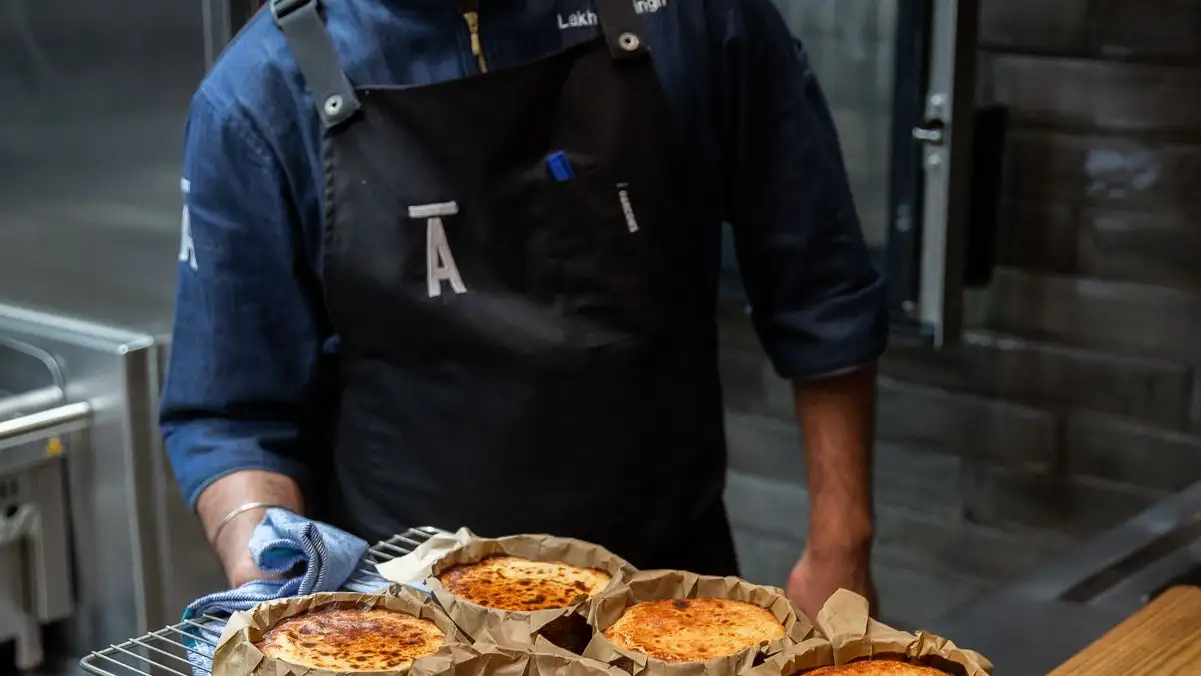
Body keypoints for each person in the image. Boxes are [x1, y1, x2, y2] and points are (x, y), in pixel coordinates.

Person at [161, 0, 888, 620]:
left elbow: (818, 284)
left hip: (673, 598)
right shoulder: (259, 97)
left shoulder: (691, 17)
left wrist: (840, 546)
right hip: (414, 623)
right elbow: (233, 416)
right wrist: (279, 597)